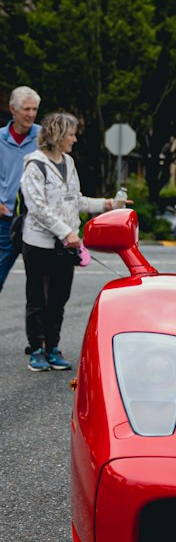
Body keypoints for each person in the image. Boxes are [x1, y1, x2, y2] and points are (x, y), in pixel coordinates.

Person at [20, 112, 115, 372]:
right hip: (39, 242)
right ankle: (37, 349)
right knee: (38, 297)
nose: (74, 139)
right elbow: (37, 207)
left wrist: (105, 204)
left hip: (66, 245)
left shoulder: (69, 163)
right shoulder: (35, 165)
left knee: (59, 297)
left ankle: (53, 347)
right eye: (71, 134)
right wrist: (65, 231)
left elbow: (76, 200)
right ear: (58, 135)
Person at [0, 85, 41, 296]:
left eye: (34, 109)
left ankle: (38, 330)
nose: (31, 114)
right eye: (26, 109)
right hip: (4, 222)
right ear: (12, 109)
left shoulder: (43, 137)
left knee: (38, 287)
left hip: (36, 223)